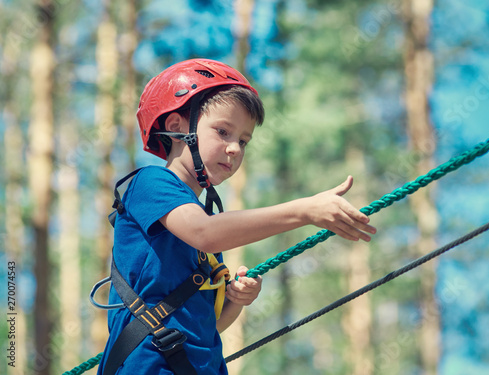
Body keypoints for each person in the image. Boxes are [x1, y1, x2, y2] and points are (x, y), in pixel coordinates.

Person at [96, 58, 376, 375]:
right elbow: (205, 232)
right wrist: (304, 210)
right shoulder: (152, 184)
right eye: (223, 131)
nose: (234, 149)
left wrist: (236, 302)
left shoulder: (202, 229)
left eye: (243, 140)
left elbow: (208, 324)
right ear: (176, 128)